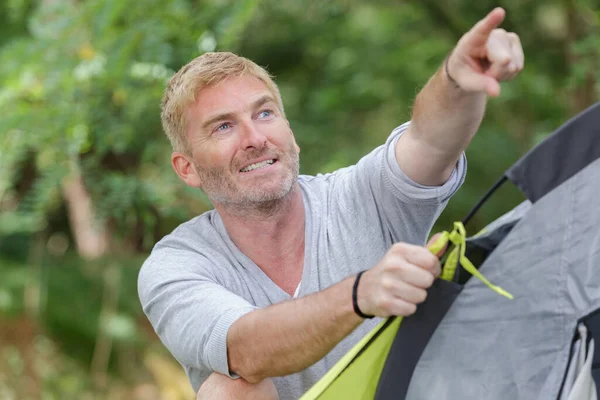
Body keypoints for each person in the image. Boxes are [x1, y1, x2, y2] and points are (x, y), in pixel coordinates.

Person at [138, 7, 523, 400]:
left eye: (265, 113)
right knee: (228, 390)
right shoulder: (177, 265)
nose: (255, 138)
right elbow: (245, 349)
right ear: (188, 169)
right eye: (223, 126)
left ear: (290, 132)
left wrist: (458, 79)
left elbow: (429, 141)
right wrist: (359, 295)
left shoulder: (362, 196)